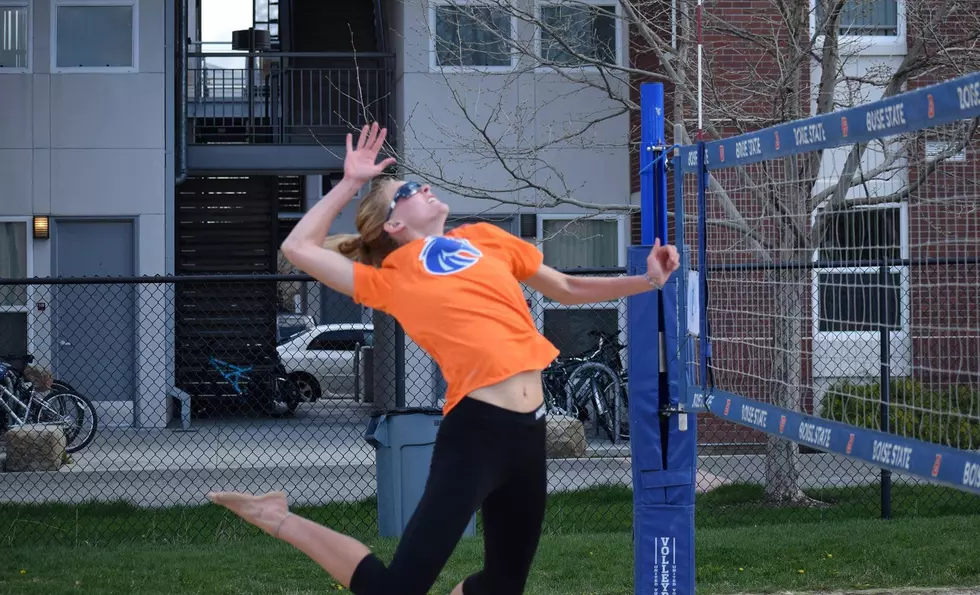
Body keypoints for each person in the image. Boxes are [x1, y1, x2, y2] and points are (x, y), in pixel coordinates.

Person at [208, 122, 681, 595]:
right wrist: (351, 184)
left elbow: (568, 287)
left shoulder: (486, 238)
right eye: (409, 189)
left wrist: (649, 281)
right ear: (394, 224)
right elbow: (296, 248)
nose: (425, 187)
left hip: (528, 431)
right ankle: (278, 517)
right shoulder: (390, 278)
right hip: (476, 433)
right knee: (398, 590)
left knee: (502, 586)